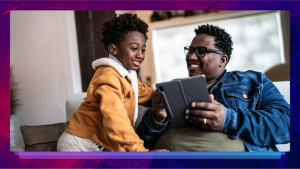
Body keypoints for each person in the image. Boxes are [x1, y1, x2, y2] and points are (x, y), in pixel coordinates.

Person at [136, 24, 290, 152]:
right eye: (189, 51)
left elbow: (287, 124)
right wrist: (157, 117)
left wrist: (229, 119)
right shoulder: (174, 87)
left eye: (200, 51)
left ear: (222, 60)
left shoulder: (254, 81)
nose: (191, 57)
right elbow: (141, 143)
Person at [57, 13, 158, 152]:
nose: (140, 54)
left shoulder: (129, 76)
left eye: (143, 49)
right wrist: (140, 152)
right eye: (134, 48)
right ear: (113, 49)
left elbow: (147, 94)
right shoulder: (108, 77)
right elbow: (115, 119)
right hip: (78, 145)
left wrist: (166, 97)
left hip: (98, 145)